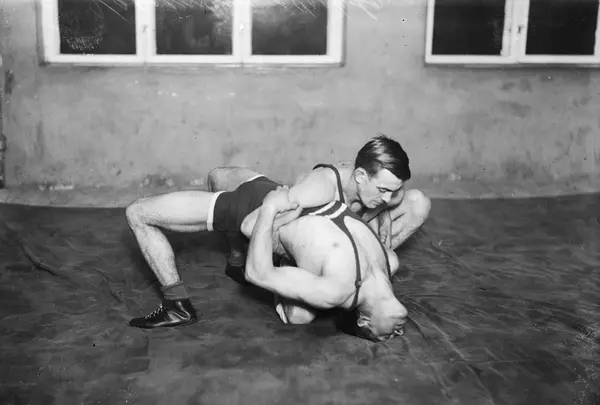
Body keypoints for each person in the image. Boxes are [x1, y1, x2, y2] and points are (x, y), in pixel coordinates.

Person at [215, 134, 431, 279]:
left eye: (393, 190)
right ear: (360, 176)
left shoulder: (389, 192)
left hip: (341, 236)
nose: (389, 198)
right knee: (218, 177)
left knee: (418, 203)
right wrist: (294, 256)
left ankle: (362, 270)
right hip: (303, 236)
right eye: (382, 190)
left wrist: (383, 213)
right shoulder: (320, 188)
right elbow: (249, 226)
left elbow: (393, 194)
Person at [243, 184, 408, 342]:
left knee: (299, 316)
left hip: (271, 210)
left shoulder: (335, 291)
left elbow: (257, 274)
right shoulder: (389, 263)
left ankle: (287, 261)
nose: (399, 332)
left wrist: (270, 207)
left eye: (386, 336)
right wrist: (383, 213)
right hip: (308, 194)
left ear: (364, 321)